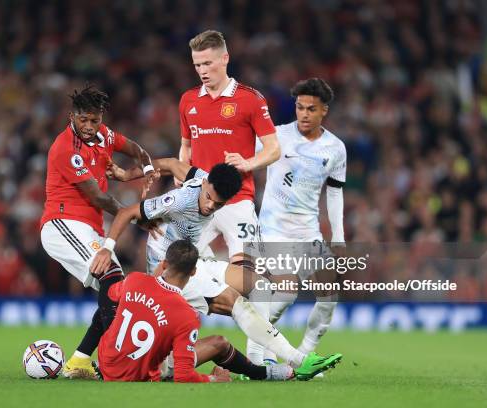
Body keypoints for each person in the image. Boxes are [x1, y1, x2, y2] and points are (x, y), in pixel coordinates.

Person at [93, 158, 342, 376]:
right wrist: (108, 246)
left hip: (192, 259)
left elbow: (169, 164)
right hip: (169, 271)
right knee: (235, 302)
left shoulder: (204, 177)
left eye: (218, 204)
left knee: (259, 286)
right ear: (204, 186)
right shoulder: (179, 201)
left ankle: (258, 360)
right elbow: (127, 212)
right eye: (209, 198)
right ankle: (299, 361)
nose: (211, 206)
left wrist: (131, 173)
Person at [39, 84, 156, 379]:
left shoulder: (104, 134)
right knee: (112, 278)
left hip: (86, 227)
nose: (89, 127)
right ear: (72, 116)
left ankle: (79, 360)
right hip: (62, 224)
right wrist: (136, 217)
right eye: (83, 120)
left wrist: (147, 168)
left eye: (95, 120)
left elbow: (135, 149)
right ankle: (116, 358)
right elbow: (100, 198)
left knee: (116, 288)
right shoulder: (65, 149)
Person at [98, 240, 317, 382]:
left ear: (163, 264)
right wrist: (214, 379)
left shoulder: (134, 280)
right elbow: (184, 376)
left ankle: (86, 358)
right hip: (140, 375)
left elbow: (110, 296)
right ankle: (264, 373)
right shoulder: (185, 314)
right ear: (194, 272)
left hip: (107, 364)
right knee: (219, 343)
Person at [249, 78, 347, 365]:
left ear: (324, 111)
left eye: (311, 109)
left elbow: (335, 194)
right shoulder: (276, 136)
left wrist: (338, 236)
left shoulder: (336, 148)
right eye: (299, 107)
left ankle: (303, 355)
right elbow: (240, 152)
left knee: (329, 294)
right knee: (286, 293)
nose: (303, 114)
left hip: (308, 232)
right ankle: (262, 357)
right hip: (272, 230)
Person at [177, 30, 280, 267]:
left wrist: (248, 163)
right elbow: (185, 146)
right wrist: (181, 171)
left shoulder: (250, 99)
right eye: (197, 65)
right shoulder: (188, 100)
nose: (202, 70)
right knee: (178, 270)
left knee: (246, 274)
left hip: (237, 199)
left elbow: (273, 149)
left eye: (207, 63)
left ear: (225, 59)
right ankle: (214, 287)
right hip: (199, 201)